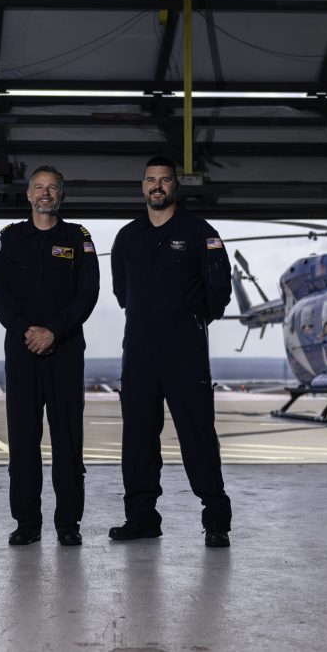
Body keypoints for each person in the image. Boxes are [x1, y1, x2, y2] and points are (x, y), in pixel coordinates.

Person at [109, 155, 233, 548]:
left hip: (185, 350)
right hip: (140, 351)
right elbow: (121, 292)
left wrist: (191, 322)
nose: (157, 186)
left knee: (196, 434)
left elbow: (219, 291)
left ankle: (216, 520)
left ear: (175, 186)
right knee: (139, 438)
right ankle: (142, 518)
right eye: (150, 180)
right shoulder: (127, 237)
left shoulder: (200, 232)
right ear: (142, 187)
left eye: (164, 180)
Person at [0, 166, 100, 547]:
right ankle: (27, 523)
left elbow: (88, 294)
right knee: (22, 442)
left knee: (68, 441)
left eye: (53, 187)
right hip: (22, 353)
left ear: (61, 195)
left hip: (65, 351)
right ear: (28, 195)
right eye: (39, 187)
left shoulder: (78, 237)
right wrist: (27, 331)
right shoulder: (11, 238)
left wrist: (54, 330)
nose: (46, 193)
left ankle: (68, 523)